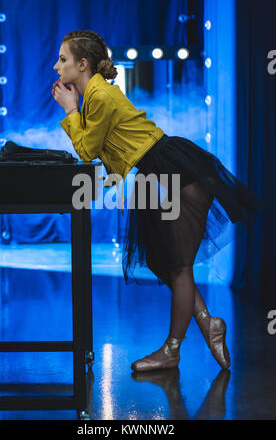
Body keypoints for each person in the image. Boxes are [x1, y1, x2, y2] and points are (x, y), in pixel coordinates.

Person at [52, 30, 263, 372]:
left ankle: (172, 350)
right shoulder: (95, 95)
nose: (56, 67)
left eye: (62, 59)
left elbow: (87, 150)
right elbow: (114, 149)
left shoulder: (98, 97)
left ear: (83, 64)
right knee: (160, 261)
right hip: (158, 173)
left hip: (174, 173)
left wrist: (70, 109)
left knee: (178, 267)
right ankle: (209, 323)